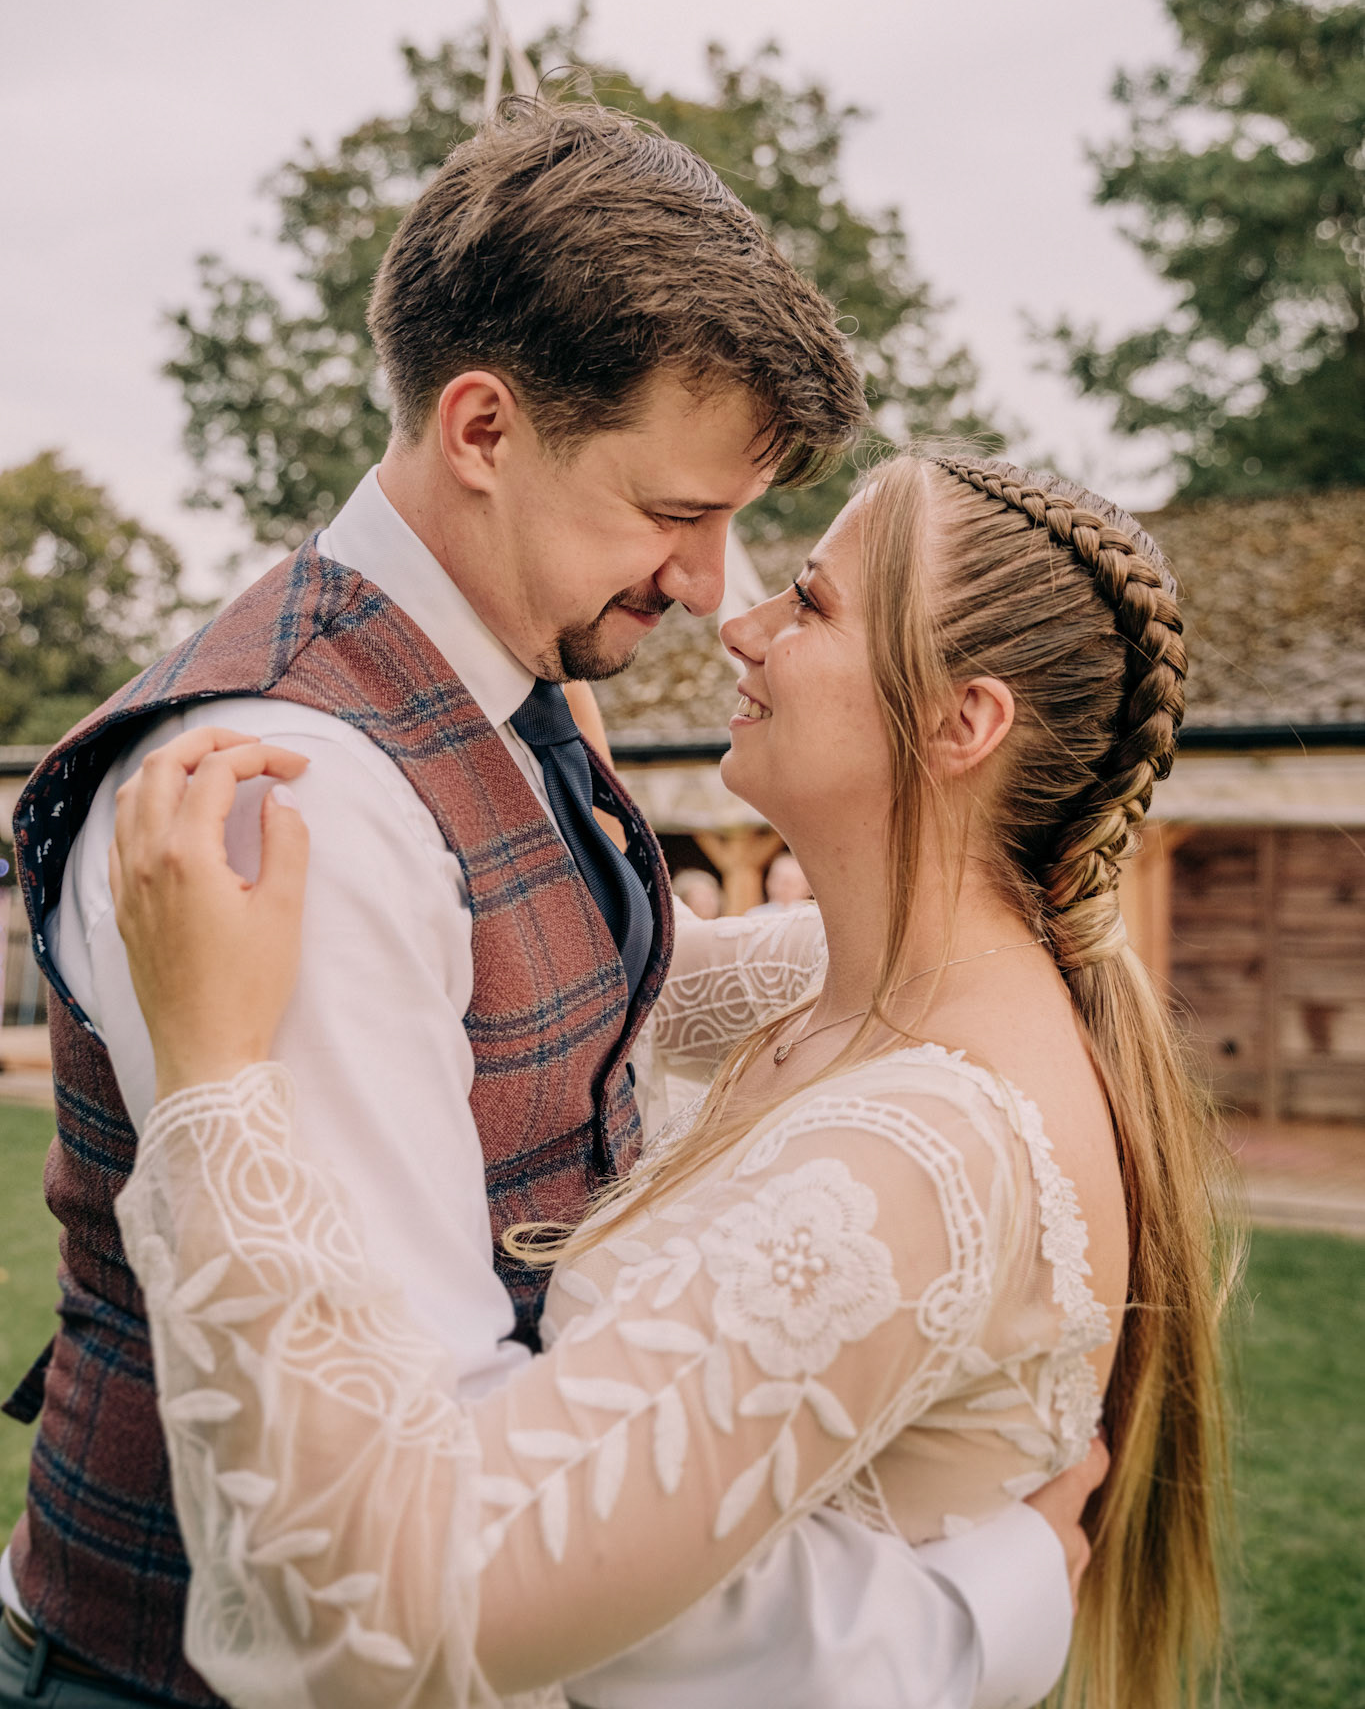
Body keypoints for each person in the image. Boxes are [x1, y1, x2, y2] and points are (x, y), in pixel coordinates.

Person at [2, 106, 1091, 1709]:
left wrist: (975, 944)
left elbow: (601, 993)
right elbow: (409, 1542)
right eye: (674, 512)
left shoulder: (508, 692)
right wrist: (969, 1612)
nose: (712, 586)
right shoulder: (300, 802)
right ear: (483, 428)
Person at [101, 453, 1231, 1709]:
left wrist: (214, 1077)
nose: (739, 624)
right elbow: (626, 969)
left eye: (809, 603)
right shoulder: (852, 978)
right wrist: (540, 772)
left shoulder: (921, 1157)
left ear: (963, 721)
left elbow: (397, 1614)